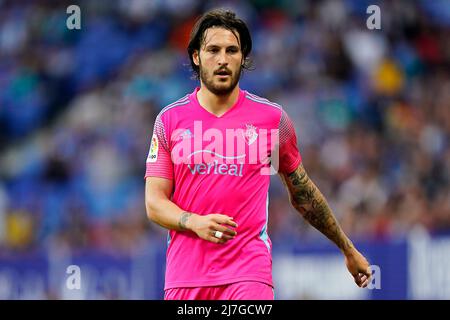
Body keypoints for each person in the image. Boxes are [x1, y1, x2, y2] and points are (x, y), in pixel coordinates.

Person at [144, 9, 371, 300]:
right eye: (213, 50)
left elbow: (302, 195)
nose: (223, 59)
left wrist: (347, 248)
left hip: (249, 276)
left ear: (244, 58)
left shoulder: (271, 121)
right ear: (196, 57)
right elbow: (154, 203)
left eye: (232, 50)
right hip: (185, 280)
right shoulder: (170, 121)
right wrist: (194, 222)